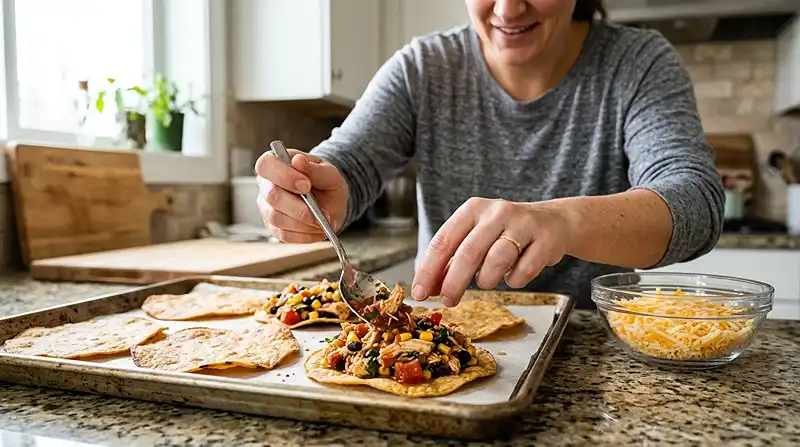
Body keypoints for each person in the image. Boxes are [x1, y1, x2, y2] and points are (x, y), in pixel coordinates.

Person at [255, 0, 724, 309]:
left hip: (593, 355)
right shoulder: (423, 68)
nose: (506, 8)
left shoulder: (638, 63)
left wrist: (561, 222)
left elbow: (695, 204)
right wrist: (314, 189)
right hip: (446, 340)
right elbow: (348, 163)